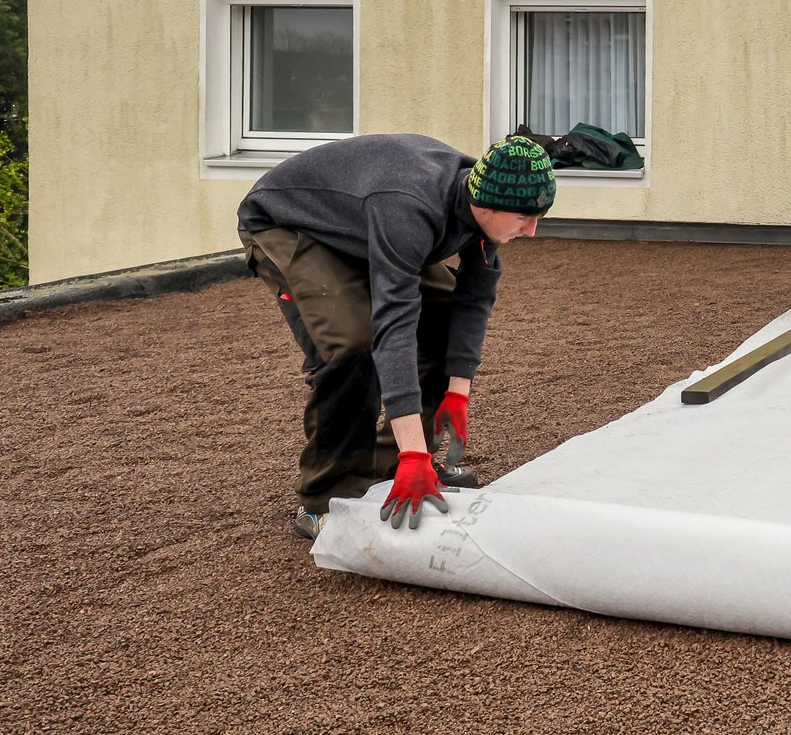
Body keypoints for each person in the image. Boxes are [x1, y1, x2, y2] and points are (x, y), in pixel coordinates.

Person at [237, 134, 556, 540]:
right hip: (292, 223)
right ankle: (325, 497)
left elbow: (471, 303)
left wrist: (457, 392)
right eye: (524, 219)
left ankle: (393, 464)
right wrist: (416, 452)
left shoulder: (482, 194)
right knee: (352, 344)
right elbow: (395, 322)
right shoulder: (410, 206)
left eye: (538, 217)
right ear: (485, 205)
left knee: (441, 323)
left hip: (362, 223)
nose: (531, 231)